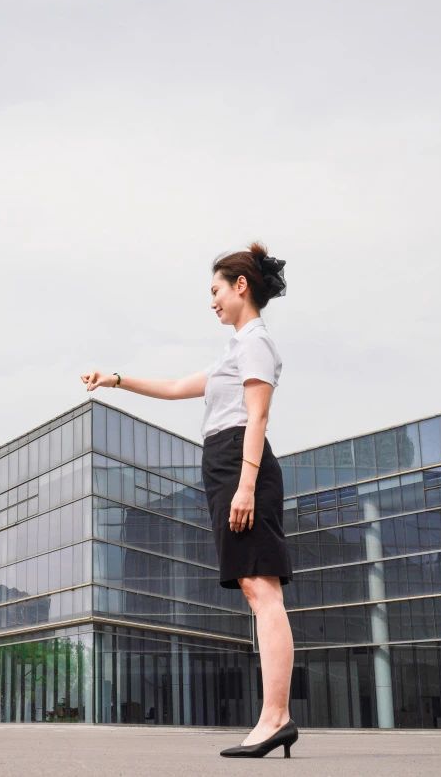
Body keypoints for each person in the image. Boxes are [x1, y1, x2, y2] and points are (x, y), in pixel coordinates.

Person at [79, 241, 298, 759]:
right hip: (224, 462)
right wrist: (115, 379)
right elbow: (178, 386)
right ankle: (275, 718)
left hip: (241, 462)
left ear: (241, 286)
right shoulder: (235, 349)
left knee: (263, 590)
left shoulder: (256, 343)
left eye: (216, 290)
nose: (212, 301)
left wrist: (245, 485)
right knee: (254, 589)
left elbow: (258, 416)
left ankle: (276, 717)